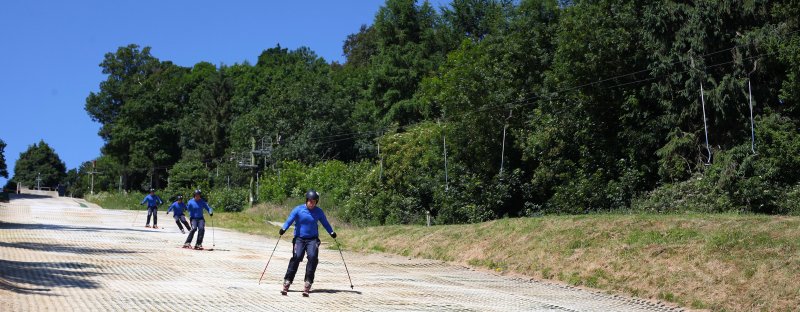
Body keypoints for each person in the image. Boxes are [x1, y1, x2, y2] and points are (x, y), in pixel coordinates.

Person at [279, 189, 337, 297]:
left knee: (313, 257)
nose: (311, 203)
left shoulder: (318, 212)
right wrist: (283, 229)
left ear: (316, 202)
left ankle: (308, 282)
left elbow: (325, 223)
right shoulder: (298, 210)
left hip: (312, 239)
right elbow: (289, 220)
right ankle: (287, 281)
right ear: (306, 200)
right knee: (297, 257)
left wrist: (331, 232)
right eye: (310, 201)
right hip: (299, 239)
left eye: (314, 201)